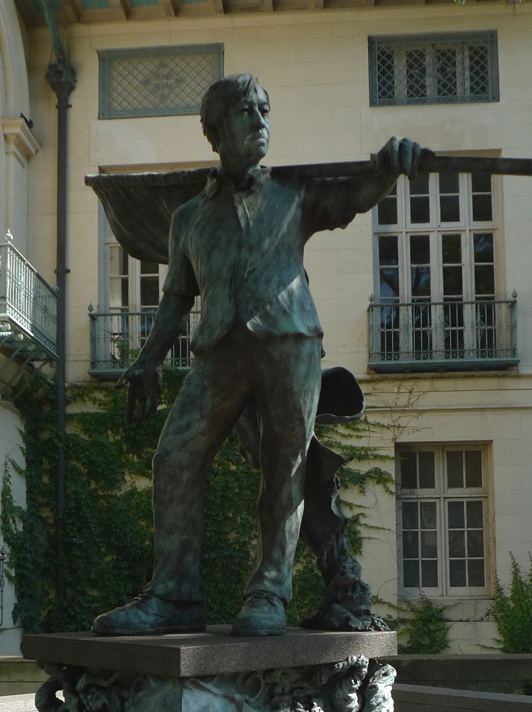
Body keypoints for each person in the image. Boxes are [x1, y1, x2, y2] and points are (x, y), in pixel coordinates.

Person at [93, 72, 425, 637]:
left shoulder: (293, 193)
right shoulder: (189, 218)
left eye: (265, 110)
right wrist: (148, 360)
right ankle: (174, 595)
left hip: (290, 341)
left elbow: (353, 196)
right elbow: (176, 298)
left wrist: (389, 166)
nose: (261, 121)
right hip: (220, 348)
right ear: (216, 130)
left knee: (285, 469)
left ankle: (269, 593)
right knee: (174, 457)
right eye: (247, 112)